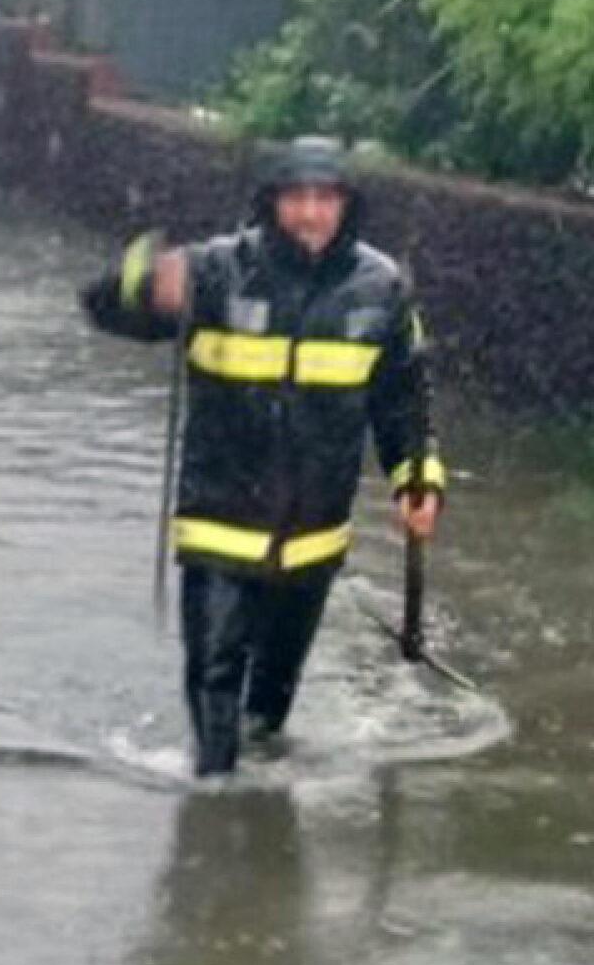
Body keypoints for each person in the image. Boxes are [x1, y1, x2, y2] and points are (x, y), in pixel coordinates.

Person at [79, 137, 444, 777]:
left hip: (313, 538)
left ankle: (258, 828)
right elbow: (103, 308)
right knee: (214, 686)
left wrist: (417, 482)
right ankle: (215, 817)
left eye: (324, 199)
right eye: (296, 198)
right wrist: (141, 281)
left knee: (270, 708)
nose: (309, 214)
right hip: (218, 522)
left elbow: (403, 405)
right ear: (270, 203)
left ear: (346, 207)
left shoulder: (381, 290)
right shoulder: (214, 272)